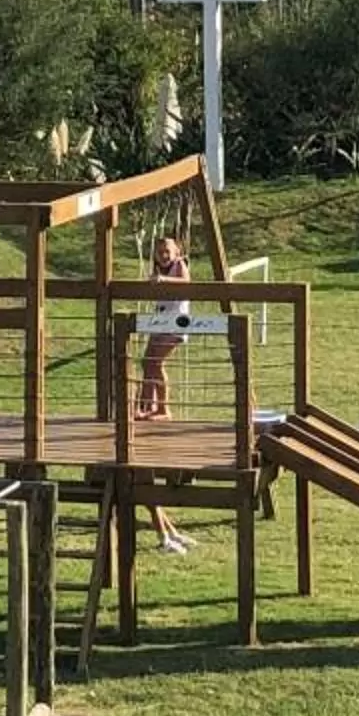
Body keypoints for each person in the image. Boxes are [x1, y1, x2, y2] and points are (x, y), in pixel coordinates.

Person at [134, 236, 197, 558]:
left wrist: (164, 278)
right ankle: (149, 405)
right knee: (148, 362)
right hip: (161, 321)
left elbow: (185, 282)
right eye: (159, 252)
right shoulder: (156, 267)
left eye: (167, 251)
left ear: (177, 253)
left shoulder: (179, 266)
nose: (162, 255)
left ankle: (161, 406)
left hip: (176, 323)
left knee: (155, 362)